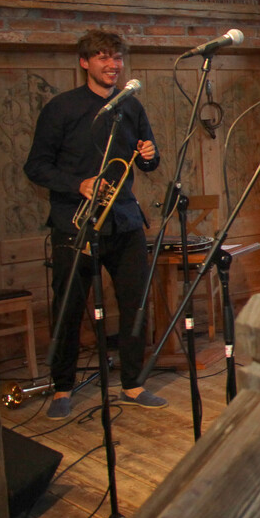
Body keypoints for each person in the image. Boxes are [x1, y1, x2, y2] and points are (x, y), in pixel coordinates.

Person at [24, 29, 164, 420]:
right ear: (85, 62)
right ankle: (62, 387)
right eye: (103, 57)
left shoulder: (131, 107)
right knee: (69, 307)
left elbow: (149, 161)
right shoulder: (62, 108)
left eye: (117, 57)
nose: (113, 64)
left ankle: (133, 383)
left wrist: (149, 155)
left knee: (135, 303)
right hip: (76, 223)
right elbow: (36, 166)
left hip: (124, 219)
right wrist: (78, 184)